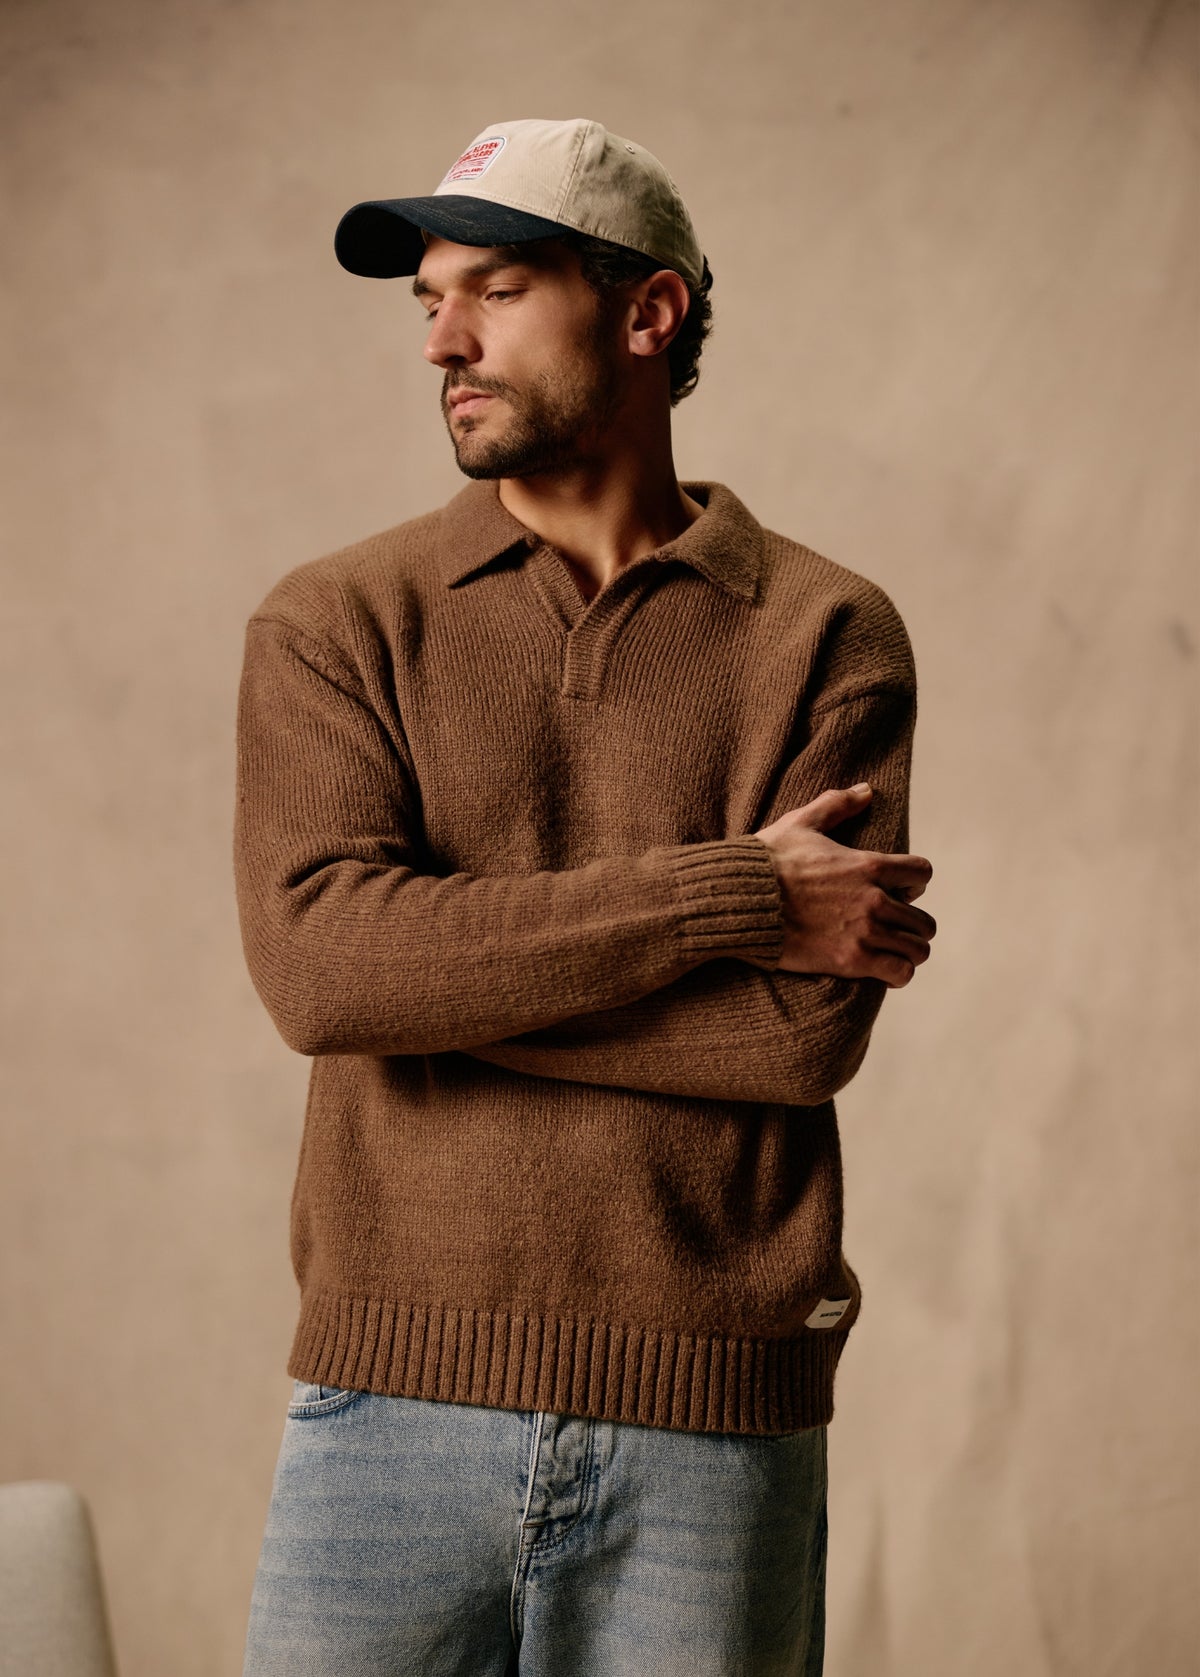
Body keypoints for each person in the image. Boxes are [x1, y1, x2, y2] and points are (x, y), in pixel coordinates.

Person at [235, 116, 936, 1677]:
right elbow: (322, 976)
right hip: (387, 1404)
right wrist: (732, 894)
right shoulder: (338, 621)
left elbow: (796, 1038)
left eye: (494, 291)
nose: (444, 343)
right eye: (429, 301)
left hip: (714, 1423)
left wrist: (434, 984)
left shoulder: (827, 631)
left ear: (648, 312)